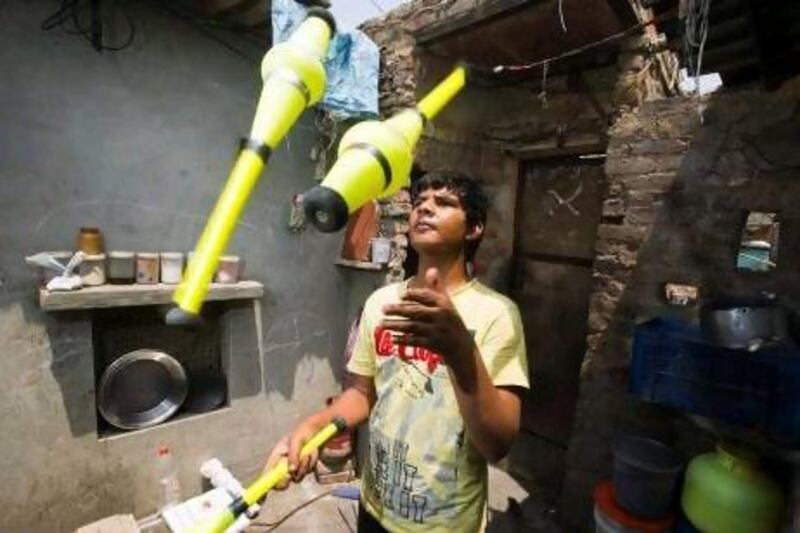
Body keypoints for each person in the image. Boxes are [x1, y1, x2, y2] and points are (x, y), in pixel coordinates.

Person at [265, 172, 529, 532]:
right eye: (419, 204)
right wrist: (314, 426)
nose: (425, 209)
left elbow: (497, 444)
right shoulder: (382, 302)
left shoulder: (496, 314)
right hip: (373, 508)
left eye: (445, 203)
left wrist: (459, 352)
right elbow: (361, 393)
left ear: (474, 229)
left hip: (446, 522)